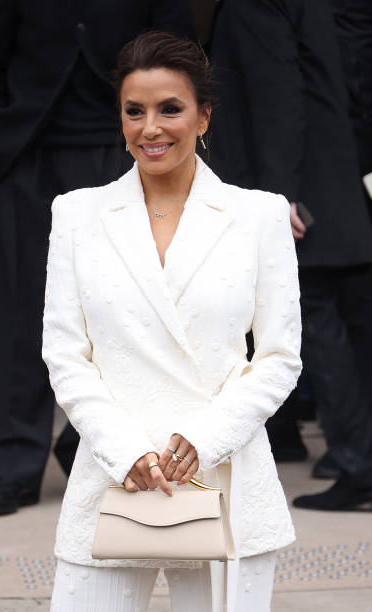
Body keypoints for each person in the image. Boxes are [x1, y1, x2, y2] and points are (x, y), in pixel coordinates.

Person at [42, 31, 302, 611]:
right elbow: (64, 354)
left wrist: (205, 440)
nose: (150, 128)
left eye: (170, 109)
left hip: (226, 477)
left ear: (204, 116)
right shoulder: (77, 214)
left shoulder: (258, 215)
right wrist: (125, 450)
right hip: (112, 473)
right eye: (134, 111)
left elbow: (280, 357)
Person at [0, 0, 194, 516]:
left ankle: (90, 445)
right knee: (25, 307)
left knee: (121, 309)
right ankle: (16, 466)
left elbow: (179, 54)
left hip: (118, 150)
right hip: (28, 151)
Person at [208, 0, 372, 510]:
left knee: (320, 327)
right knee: (351, 323)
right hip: (337, 176)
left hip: (303, 187)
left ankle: (358, 466)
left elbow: (274, 91)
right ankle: (357, 460)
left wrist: (279, 195)